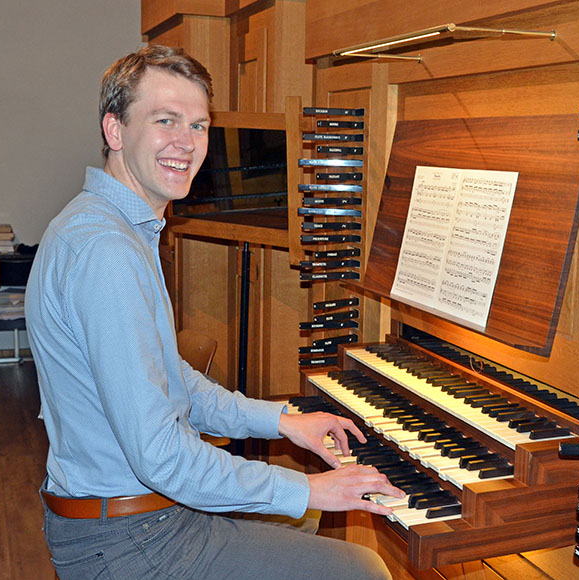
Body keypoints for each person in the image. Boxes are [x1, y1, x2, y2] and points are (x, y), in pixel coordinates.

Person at [25, 44, 403, 580]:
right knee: (362, 570)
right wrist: (308, 487)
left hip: (133, 525)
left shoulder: (114, 226)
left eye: (199, 126)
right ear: (115, 130)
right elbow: (159, 455)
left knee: (310, 524)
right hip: (133, 543)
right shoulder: (106, 250)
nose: (187, 143)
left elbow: (168, 377)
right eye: (166, 121)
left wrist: (282, 421)